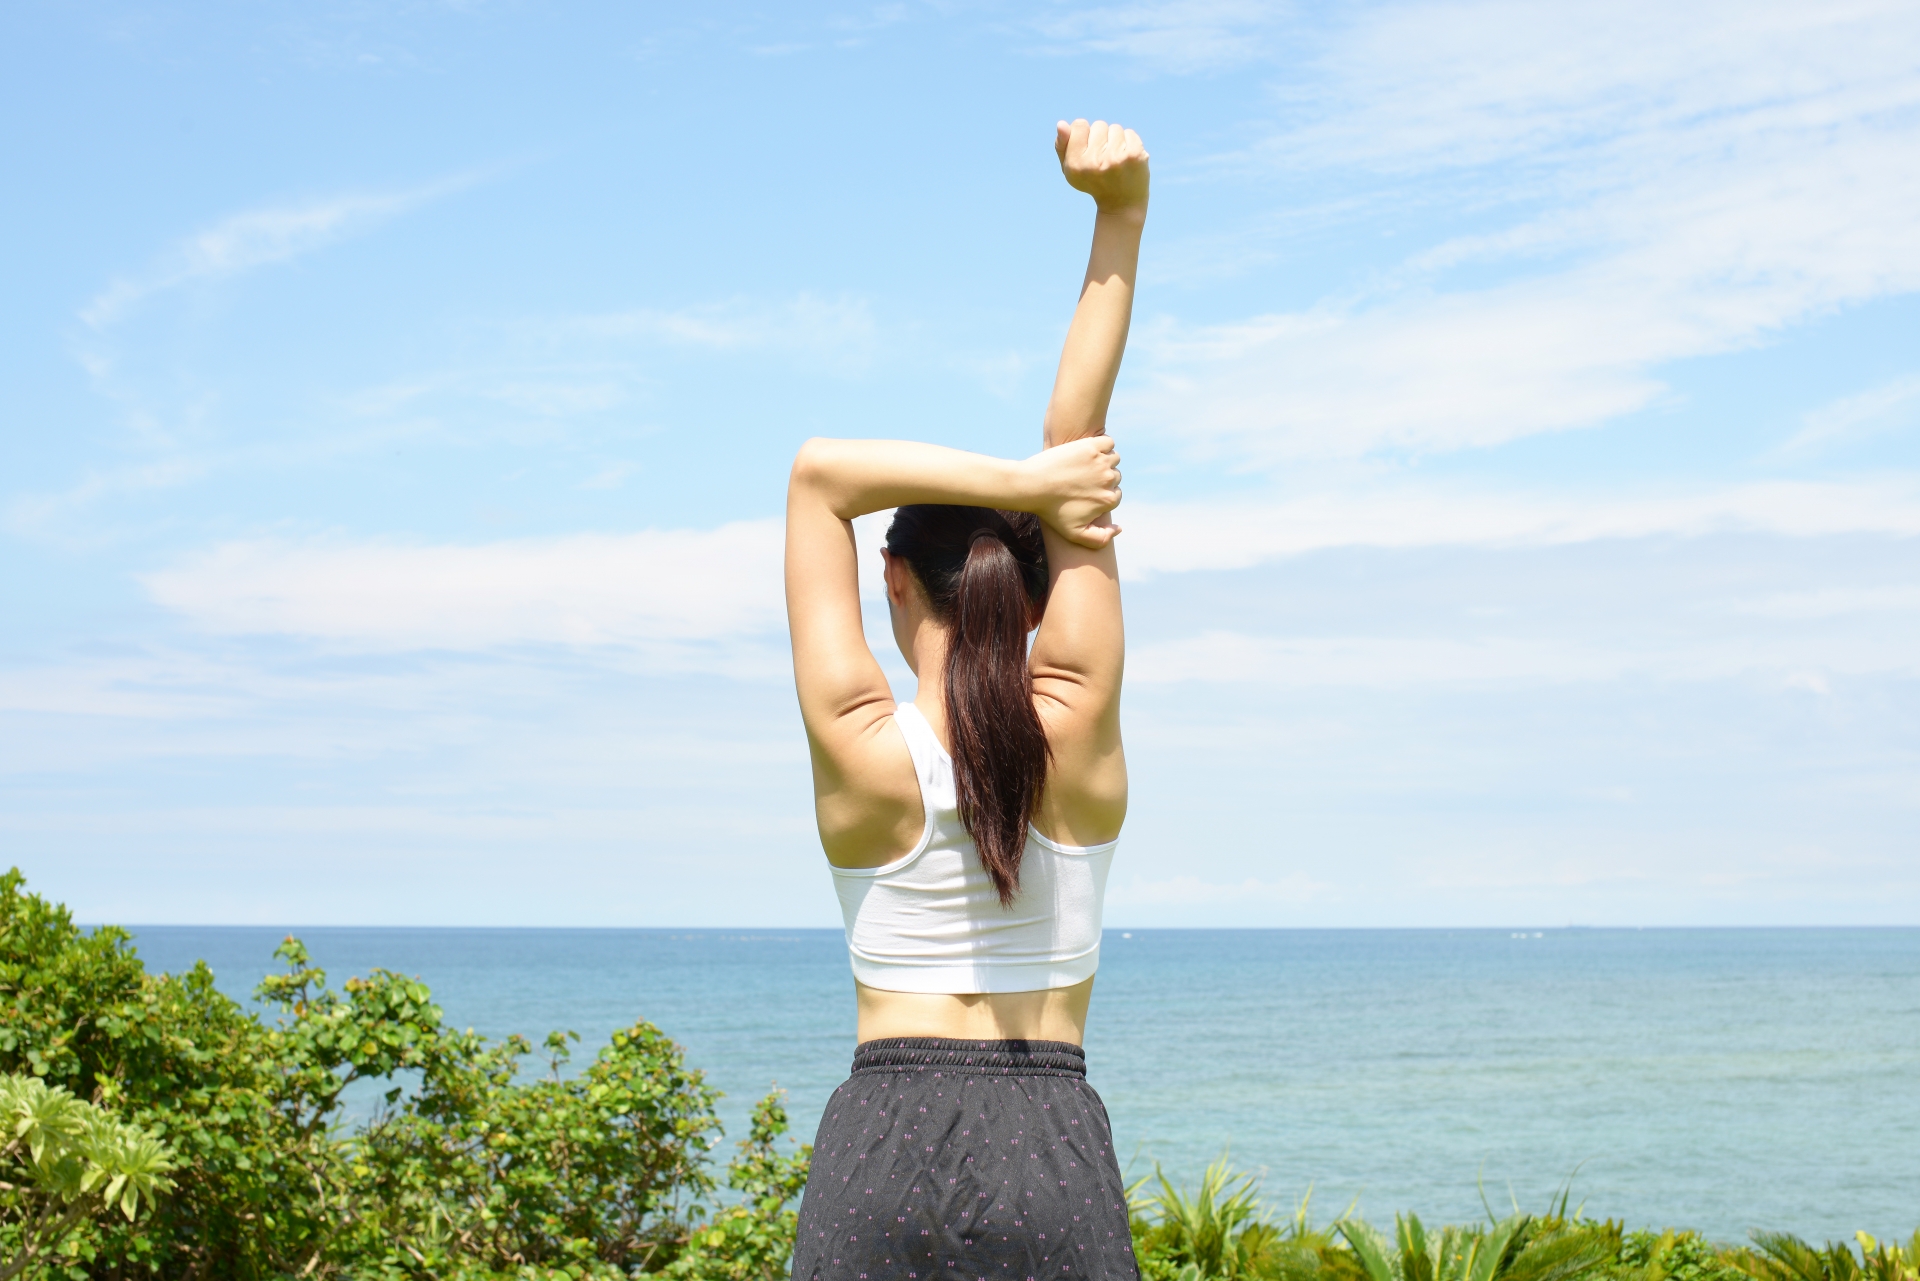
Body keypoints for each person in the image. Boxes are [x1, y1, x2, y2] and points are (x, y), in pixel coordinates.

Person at [783, 118, 1149, 1281]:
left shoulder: (865, 751)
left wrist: (1013, 485)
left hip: (877, 1155)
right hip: (1052, 1142)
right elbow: (1076, 444)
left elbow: (817, 479)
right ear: (1036, 599)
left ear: (893, 580)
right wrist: (1121, 211)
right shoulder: (1074, 729)